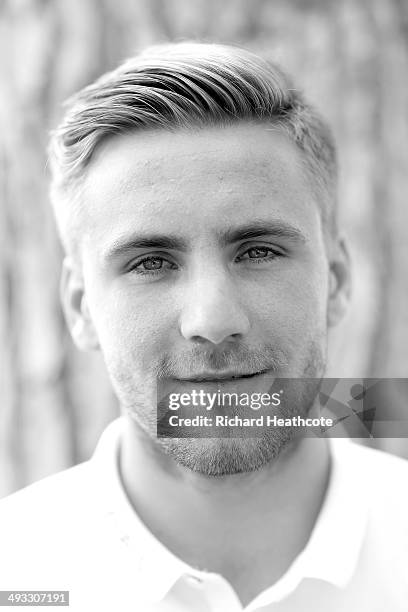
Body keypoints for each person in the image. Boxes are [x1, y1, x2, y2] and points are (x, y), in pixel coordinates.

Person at [0, 42, 407, 612]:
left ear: (335, 280)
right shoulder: (14, 574)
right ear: (80, 306)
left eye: (258, 251)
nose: (212, 321)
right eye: (150, 262)